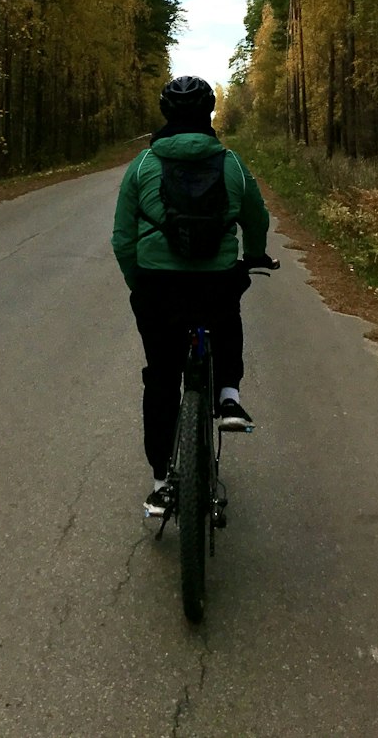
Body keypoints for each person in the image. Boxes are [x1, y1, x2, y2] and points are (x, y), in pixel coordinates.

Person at [111, 75, 270, 518]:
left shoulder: (142, 165)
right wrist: (253, 256)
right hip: (214, 283)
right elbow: (256, 216)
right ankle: (229, 396)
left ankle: (161, 482)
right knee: (226, 314)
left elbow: (123, 238)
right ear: (209, 115)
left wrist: (137, 281)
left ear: (166, 115)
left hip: (158, 288)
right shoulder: (232, 163)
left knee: (161, 378)